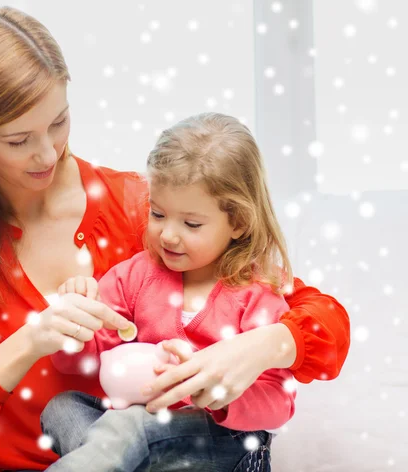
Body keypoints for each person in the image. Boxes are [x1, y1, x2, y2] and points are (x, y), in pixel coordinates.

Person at [0, 6, 350, 472]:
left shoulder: (146, 212)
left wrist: (264, 345)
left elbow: (323, 325)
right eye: (18, 139)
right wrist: (27, 344)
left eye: (59, 122)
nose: (47, 152)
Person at [41, 112, 297, 472]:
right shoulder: (136, 276)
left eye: (191, 223)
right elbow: (75, 360)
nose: (168, 235)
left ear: (238, 222)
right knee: (63, 408)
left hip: (223, 445)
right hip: (146, 433)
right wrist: (75, 324)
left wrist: (221, 396)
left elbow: (280, 401)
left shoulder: (256, 293)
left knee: (130, 426)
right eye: (158, 214)